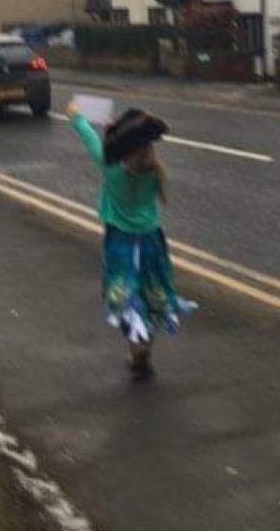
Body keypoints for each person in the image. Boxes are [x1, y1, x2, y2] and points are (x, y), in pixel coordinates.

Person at [65, 102, 196, 377]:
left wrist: (77, 115)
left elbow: (91, 139)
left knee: (128, 297)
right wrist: (116, 131)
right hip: (151, 242)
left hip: (120, 244)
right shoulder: (155, 171)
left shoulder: (112, 169)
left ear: (120, 150)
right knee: (150, 293)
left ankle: (137, 352)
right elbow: (125, 150)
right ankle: (144, 347)